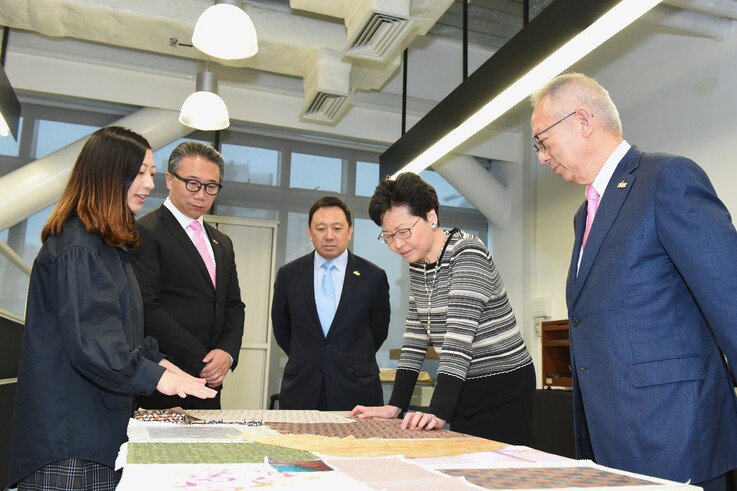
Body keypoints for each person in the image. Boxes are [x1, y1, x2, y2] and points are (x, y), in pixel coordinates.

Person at [530, 72, 737, 490]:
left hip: (676, 437)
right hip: (611, 437)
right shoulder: (584, 214)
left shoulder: (667, 178)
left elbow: (729, 296)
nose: (541, 156)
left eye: (542, 140)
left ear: (583, 120)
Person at [8, 126, 216, 490]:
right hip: (70, 440)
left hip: (97, 433)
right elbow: (95, 344)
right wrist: (158, 377)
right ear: (108, 173)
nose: (149, 185)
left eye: (150, 174)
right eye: (139, 173)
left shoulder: (107, 247)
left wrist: (163, 363)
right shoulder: (79, 246)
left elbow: (124, 331)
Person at [349, 173, 535, 444]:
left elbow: (458, 341)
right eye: (388, 236)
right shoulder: (419, 264)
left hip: (502, 386)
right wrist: (396, 405)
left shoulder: (467, 252)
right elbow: (414, 339)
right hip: (463, 386)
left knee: (495, 474)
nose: (398, 244)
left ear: (431, 217)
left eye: (403, 232)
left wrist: (437, 411)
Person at [130, 141, 245, 410]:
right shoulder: (145, 231)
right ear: (170, 180)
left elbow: (233, 305)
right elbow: (147, 307)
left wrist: (226, 354)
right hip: (165, 379)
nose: (201, 194)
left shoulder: (222, 242)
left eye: (211, 186)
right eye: (192, 183)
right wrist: (203, 360)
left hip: (211, 383)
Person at [272, 196, 390, 410]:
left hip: (357, 389)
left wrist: (351, 358)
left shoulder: (373, 276)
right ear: (310, 232)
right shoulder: (289, 275)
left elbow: (378, 330)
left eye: (337, 228)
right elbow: (282, 329)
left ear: (350, 231)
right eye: (320, 228)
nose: (329, 236)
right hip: (302, 388)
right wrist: (311, 356)